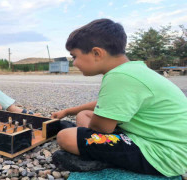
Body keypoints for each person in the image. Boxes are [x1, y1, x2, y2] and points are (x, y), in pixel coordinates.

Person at [51, 19, 187, 177]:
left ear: (96, 53)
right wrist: (68, 111)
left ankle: (103, 159)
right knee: (83, 115)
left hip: (163, 154)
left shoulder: (118, 76)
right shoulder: (132, 70)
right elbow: (109, 105)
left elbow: (101, 128)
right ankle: (102, 152)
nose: (74, 63)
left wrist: (81, 132)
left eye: (74, 56)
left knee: (65, 137)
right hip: (163, 140)